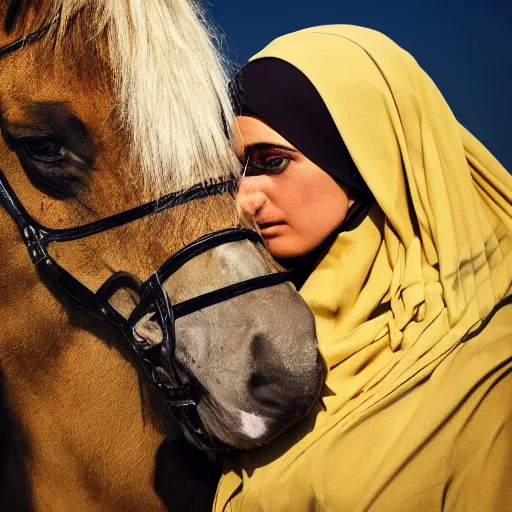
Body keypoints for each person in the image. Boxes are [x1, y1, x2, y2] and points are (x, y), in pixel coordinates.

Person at [215, 25, 512, 511]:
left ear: (361, 155)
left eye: (272, 161)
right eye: (239, 170)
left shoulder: (493, 373)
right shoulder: (248, 355)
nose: (244, 198)